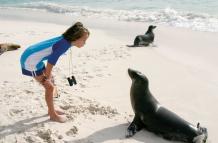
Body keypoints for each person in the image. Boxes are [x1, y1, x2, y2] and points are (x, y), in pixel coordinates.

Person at [20, 22, 90, 123]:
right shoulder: (64, 45)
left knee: (51, 82)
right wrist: (47, 77)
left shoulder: (66, 41)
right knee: (50, 86)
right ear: (76, 38)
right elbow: (51, 61)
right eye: (84, 40)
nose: (85, 43)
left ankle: (51, 109)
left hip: (34, 57)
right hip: (30, 60)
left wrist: (49, 77)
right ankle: (52, 115)